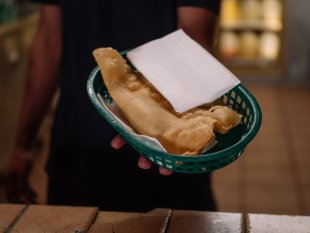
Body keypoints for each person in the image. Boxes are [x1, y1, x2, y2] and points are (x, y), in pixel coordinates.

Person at [4, 0, 220, 212]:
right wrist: (181, 130)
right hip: (167, 155)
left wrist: (23, 144)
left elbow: (50, 40)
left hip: (82, 147)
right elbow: (193, 38)